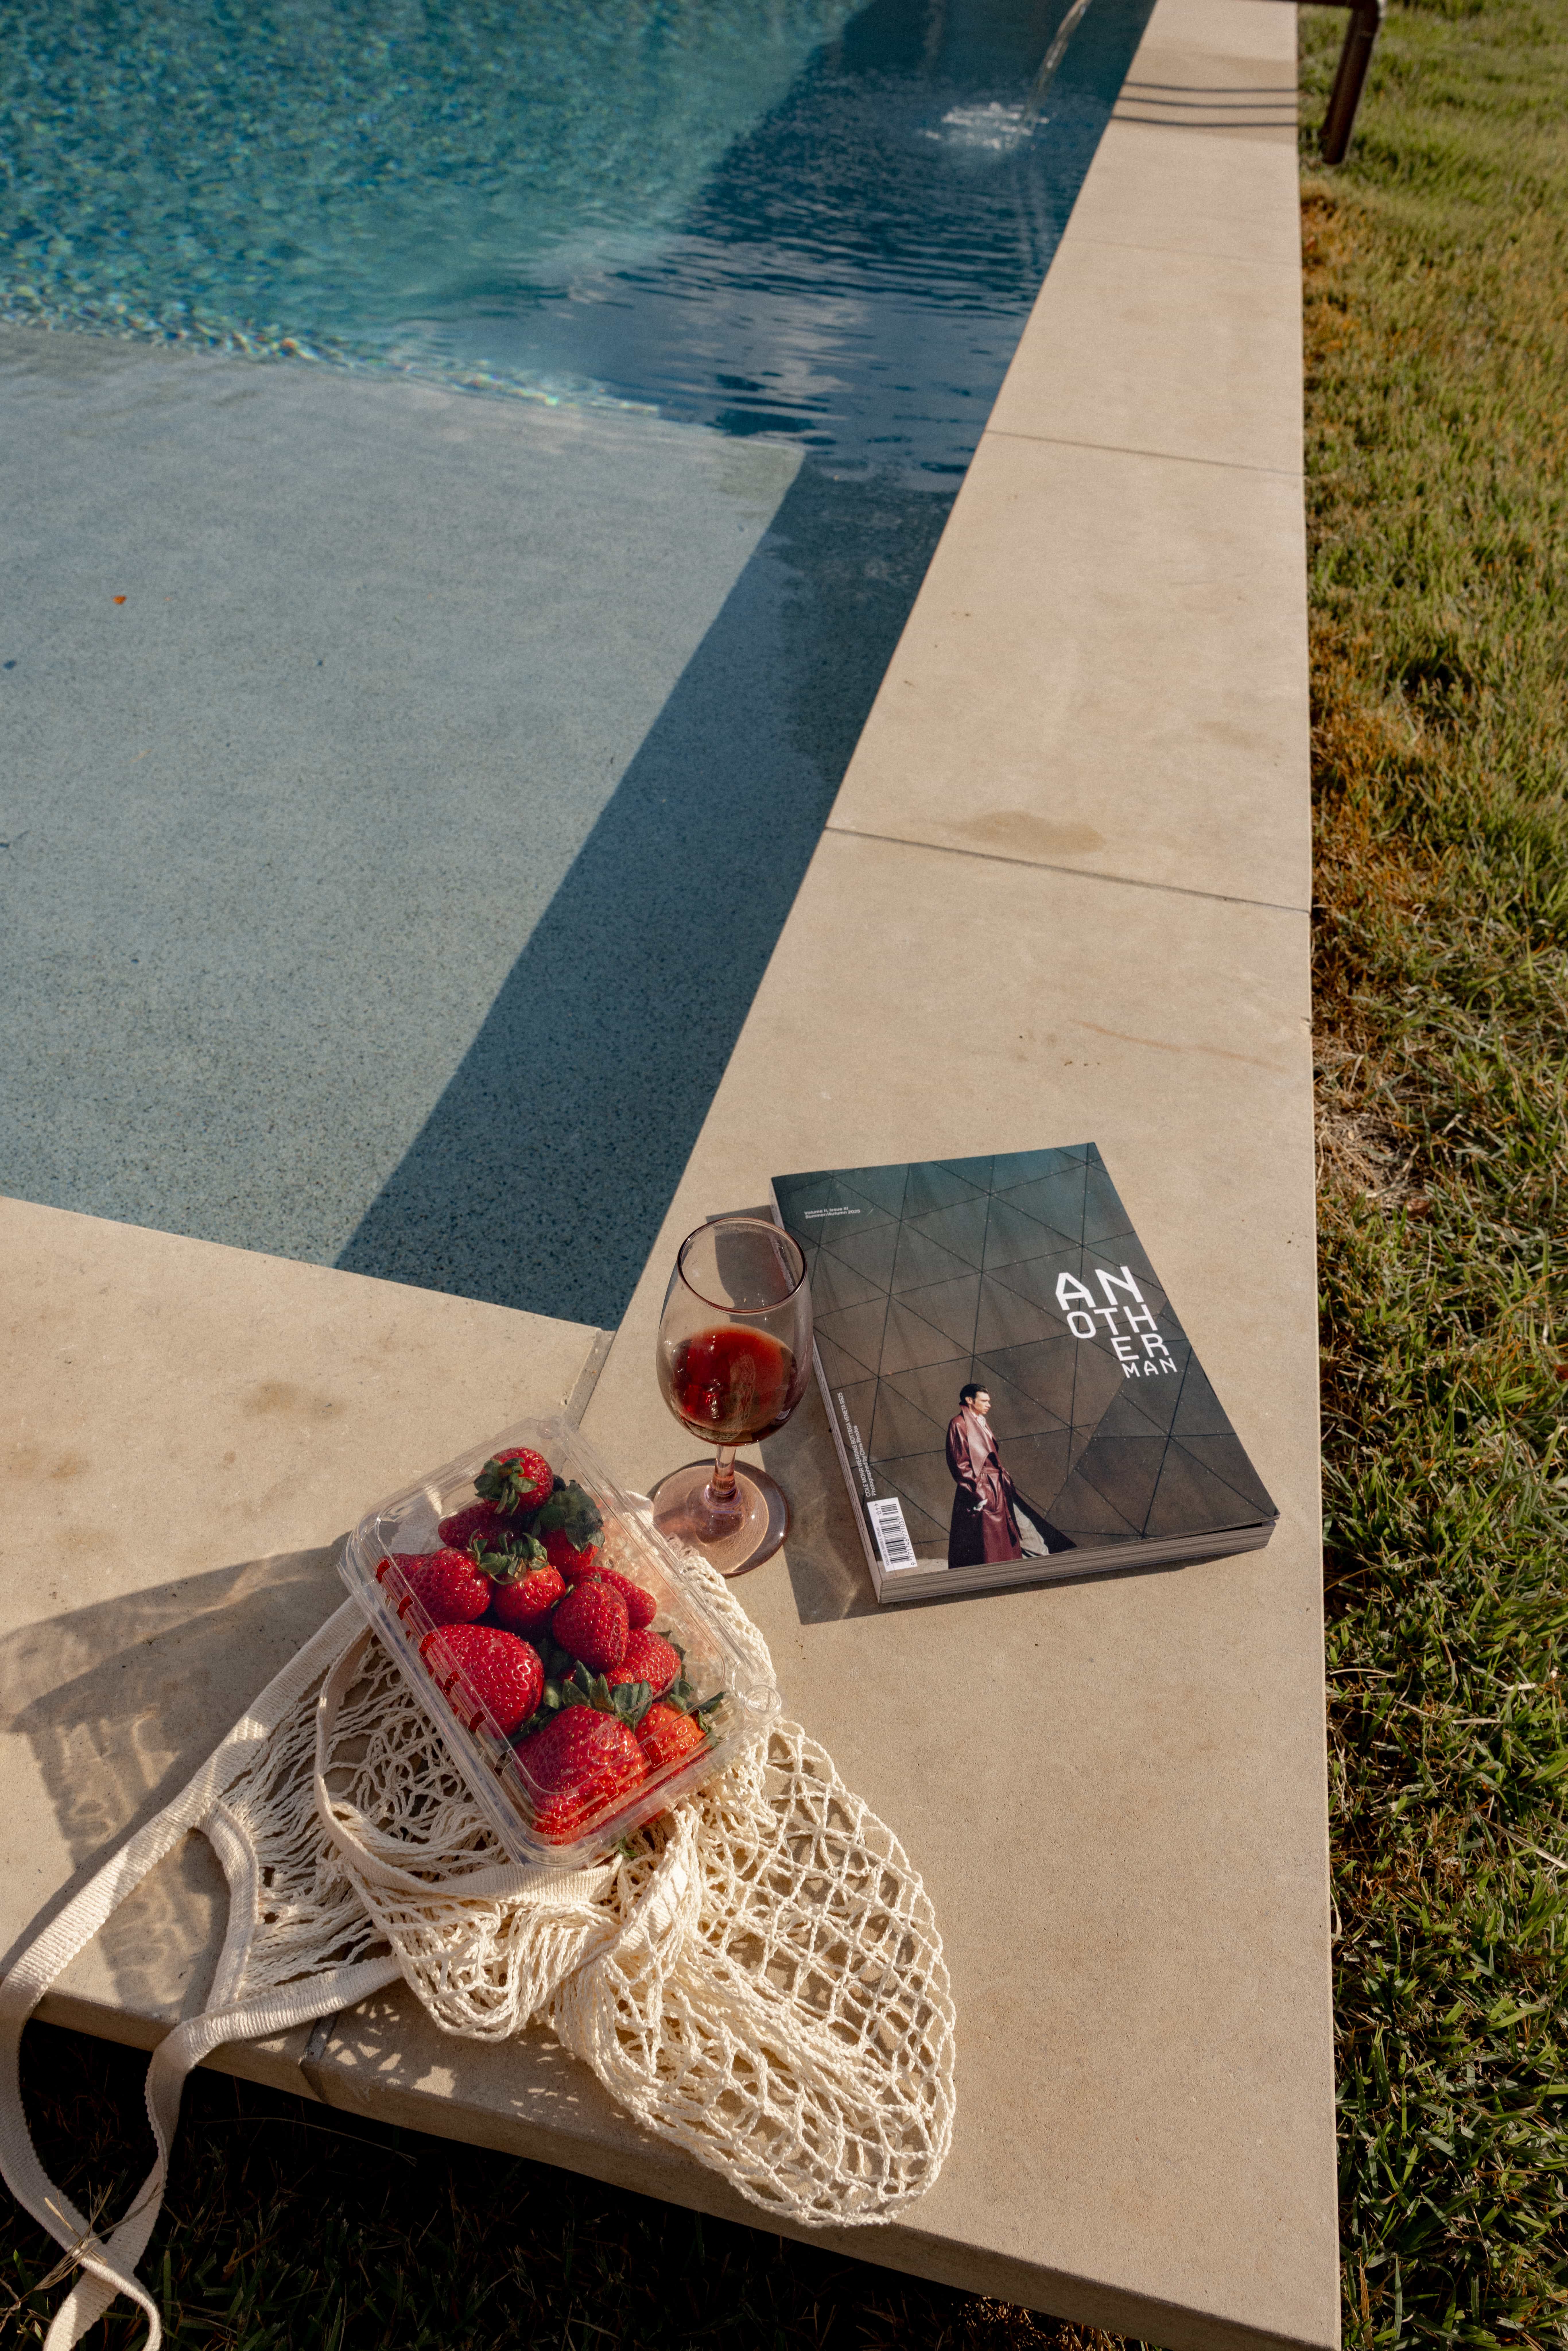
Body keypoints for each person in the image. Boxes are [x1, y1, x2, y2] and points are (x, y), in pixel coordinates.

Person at [945, 1382, 1025, 1567]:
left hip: (995, 1485)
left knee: (1000, 1538)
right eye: (984, 1401)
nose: (989, 1405)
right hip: (979, 1488)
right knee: (985, 1541)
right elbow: (960, 1463)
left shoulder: (980, 1421)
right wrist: (979, 1493)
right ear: (969, 1400)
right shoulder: (959, 1424)